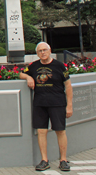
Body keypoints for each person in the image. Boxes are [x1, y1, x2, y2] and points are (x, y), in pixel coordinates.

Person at [20, 42, 73, 172]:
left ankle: (63, 160)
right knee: (41, 131)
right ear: (37, 53)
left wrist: (69, 105)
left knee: (60, 131)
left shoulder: (59, 66)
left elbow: (68, 86)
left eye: (44, 50)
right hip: (40, 103)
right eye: (39, 51)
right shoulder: (34, 66)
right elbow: (21, 73)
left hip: (57, 103)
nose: (42, 53)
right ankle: (44, 160)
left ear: (49, 51)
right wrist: (28, 77)